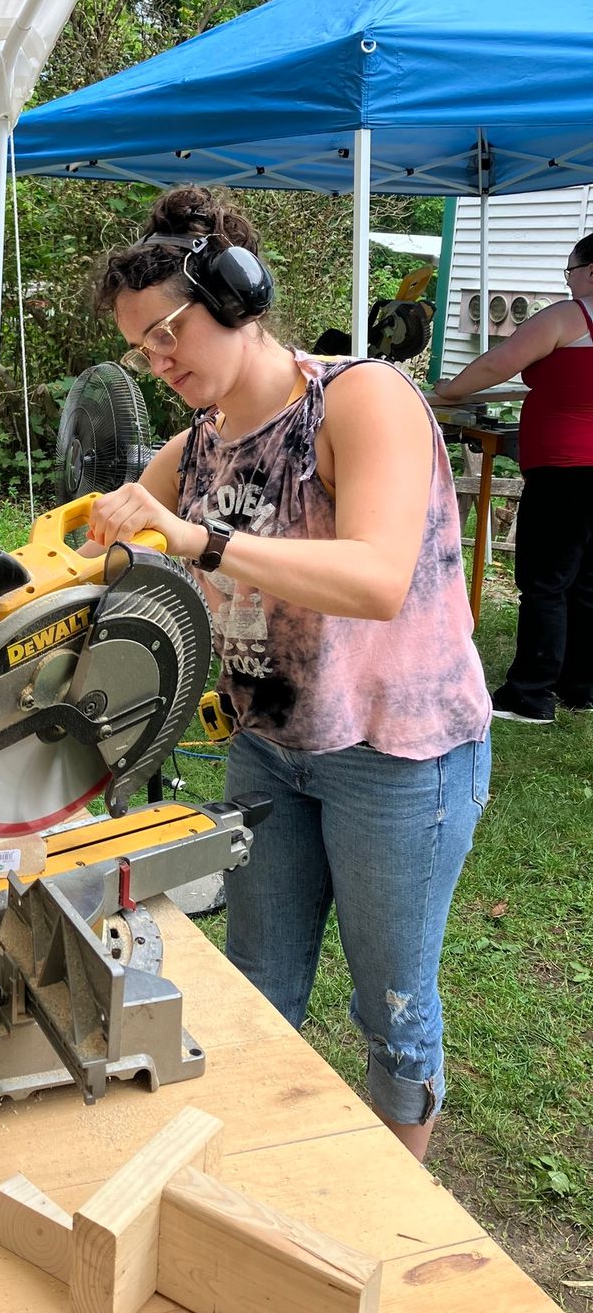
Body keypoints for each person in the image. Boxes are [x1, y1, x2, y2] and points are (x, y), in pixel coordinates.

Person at [86, 185, 491, 1162]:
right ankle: (267, 1184)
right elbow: (114, 547)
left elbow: (379, 577)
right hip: (271, 748)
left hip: (399, 752)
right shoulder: (203, 439)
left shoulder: (362, 400)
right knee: (258, 983)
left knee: (391, 1004)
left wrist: (197, 537)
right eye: (142, 346)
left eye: (172, 328)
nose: (161, 357)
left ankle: (393, 1218)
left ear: (238, 295)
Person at [430, 231, 593, 723]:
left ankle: (531, 695)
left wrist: (452, 388)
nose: (568, 281)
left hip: (566, 470)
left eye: (571, 270)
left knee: (545, 581)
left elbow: (500, 362)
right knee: (586, 583)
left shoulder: (571, 316)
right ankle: (580, 688)